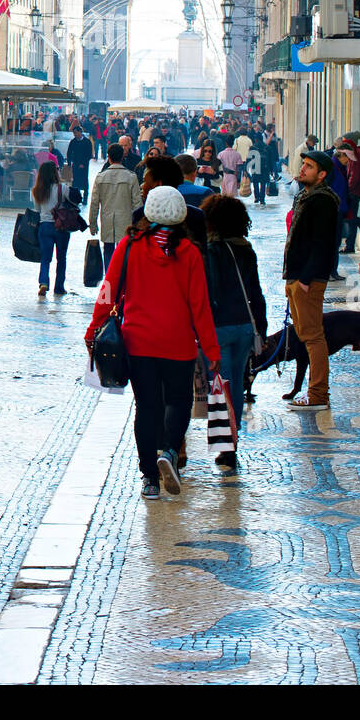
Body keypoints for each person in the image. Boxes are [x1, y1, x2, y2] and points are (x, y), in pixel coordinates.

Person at [85, 186, 221, 501]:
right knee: (179, 401)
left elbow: (107, 290)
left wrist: (94, 328)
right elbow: (200, 306)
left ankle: (149, 478)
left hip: (138, 343)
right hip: (179, 343)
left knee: (146, 408)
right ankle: (170, 451)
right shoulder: (189, 252)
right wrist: (211, 350)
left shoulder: (129, 247)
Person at [201, 194, 267, 464]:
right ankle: (231, 440)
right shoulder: (246, 249)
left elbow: (205, 292)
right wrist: (260, 329)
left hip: (219, 327)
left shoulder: (210, 252)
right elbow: (256, 291)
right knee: (236, 384)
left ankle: (227, 445)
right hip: (244, 327)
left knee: (221, 384)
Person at [282, 151, 340, 410]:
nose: (303, 169)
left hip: (307, 278)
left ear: (322, 174)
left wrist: (305, 278)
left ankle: (318, 395)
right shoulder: (305, 196)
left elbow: (323, 243)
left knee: (313, 336)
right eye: (303, 164)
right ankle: (315, 392)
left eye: (309, 166)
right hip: (296, 276)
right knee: (306, 334)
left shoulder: (323, 201)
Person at [135, 154, 207, 252]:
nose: (142, 186)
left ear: (158, 184)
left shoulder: (139, 215)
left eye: (145, 181)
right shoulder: (196, 215)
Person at [88, 143, 142, 267]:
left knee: (108, 250)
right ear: (122, 157)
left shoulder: (101, 177)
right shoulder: (131, 177)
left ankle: (109, 279)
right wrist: (138, 225)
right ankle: (122, 280)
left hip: (107, 220)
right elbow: (137, 203)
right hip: (126, 220)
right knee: (124, 251)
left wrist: (93, 224)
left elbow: (94, 203)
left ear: (109, 157)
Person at [32, 160, 80, 297]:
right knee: (61, 258)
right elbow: (72, 202)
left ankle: (43, 282)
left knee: (45, 258)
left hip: (44, 226)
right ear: (55, 172)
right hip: (61, 226)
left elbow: (37, 209)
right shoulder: (62, 188)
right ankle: (59, 287)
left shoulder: (37, 190)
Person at [327, 145, 351, 280]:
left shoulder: (340, 168)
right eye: (347, 157)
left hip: (339, 209)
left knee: (336, 242)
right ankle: (330, 271)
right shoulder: (332, 167)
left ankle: (333, 271)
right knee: (332, 241)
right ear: (341, 155)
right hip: (333, 210)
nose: (348, 160)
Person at [340, 131, 360, 252]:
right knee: (349, 217)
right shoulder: (355, 153)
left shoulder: (356, 154)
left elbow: (354, 176)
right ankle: (350, 243)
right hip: (354, 191)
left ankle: (350, 244)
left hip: (353, 192)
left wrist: (348, 189)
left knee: (350, 219)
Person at [66, 125, 94, 204]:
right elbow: (69, 152)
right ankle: (77, 198)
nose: (75, 134)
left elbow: (89, 154)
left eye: (76, 133)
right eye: (73, 133)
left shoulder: (87, 141)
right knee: (75, 182)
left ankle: (85, 198)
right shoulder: (73, 141)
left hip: (84, 165)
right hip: (75, 164)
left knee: (84, 181)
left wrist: (83, 163)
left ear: (80, 132)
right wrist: (69, 162)